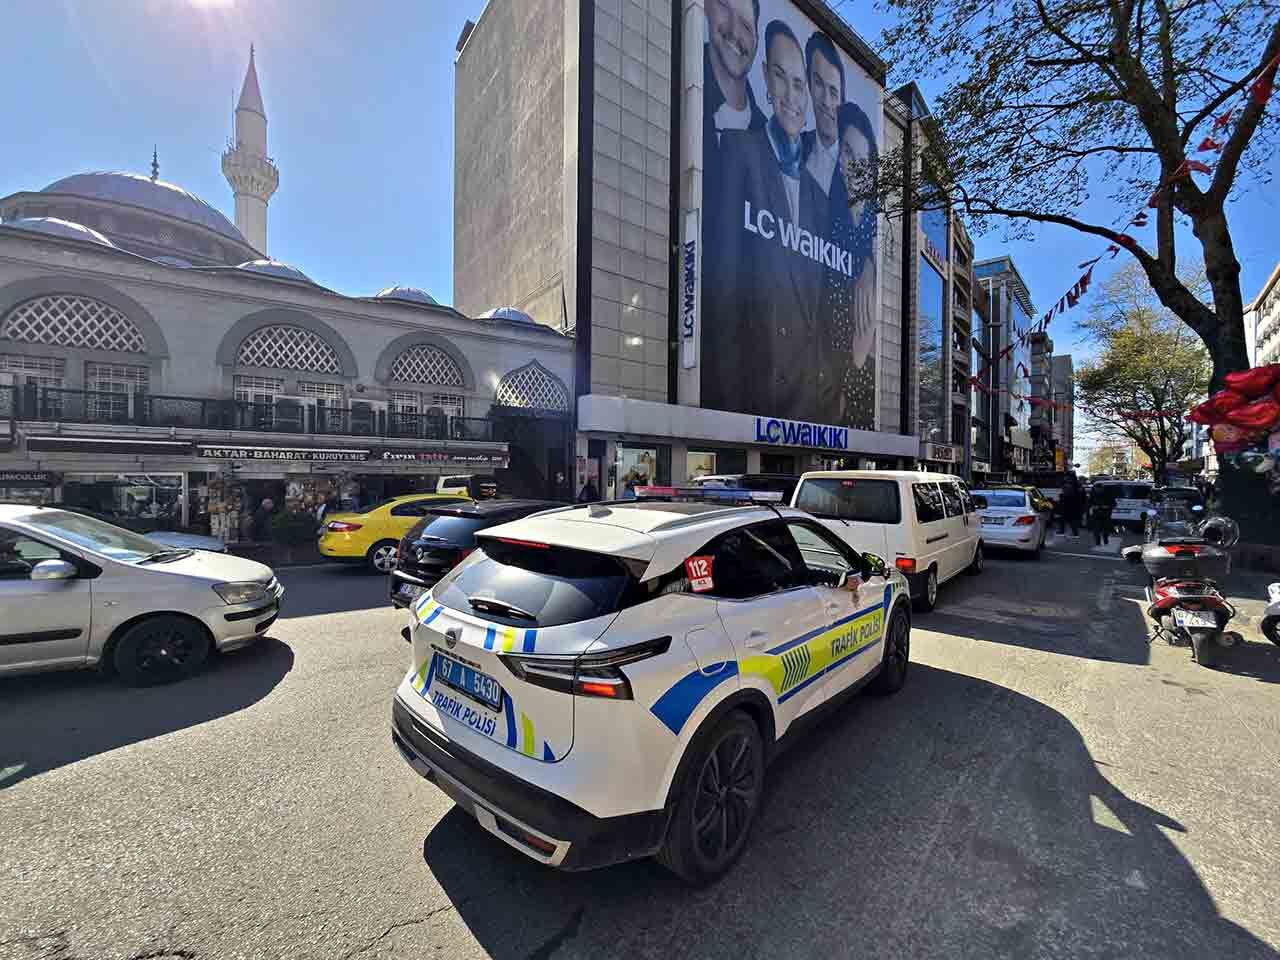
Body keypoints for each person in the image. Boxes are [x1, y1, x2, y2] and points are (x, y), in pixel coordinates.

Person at [705, 19, 829, 419]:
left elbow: (817, 313)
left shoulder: (817, 194)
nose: (791, 96)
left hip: (805, 405)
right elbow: (723, 287)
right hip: (754, 398)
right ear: (765, 79)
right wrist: (728, 415)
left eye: (799, 84)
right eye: (780, 77)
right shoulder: (739, 152)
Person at [823, 100, 879, 428]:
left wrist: (860, 358)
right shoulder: (825, 216)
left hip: (858, 386)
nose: (852, 168)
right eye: (846, 151)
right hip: (831, 383)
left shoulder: (875, 238)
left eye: (862, 162)